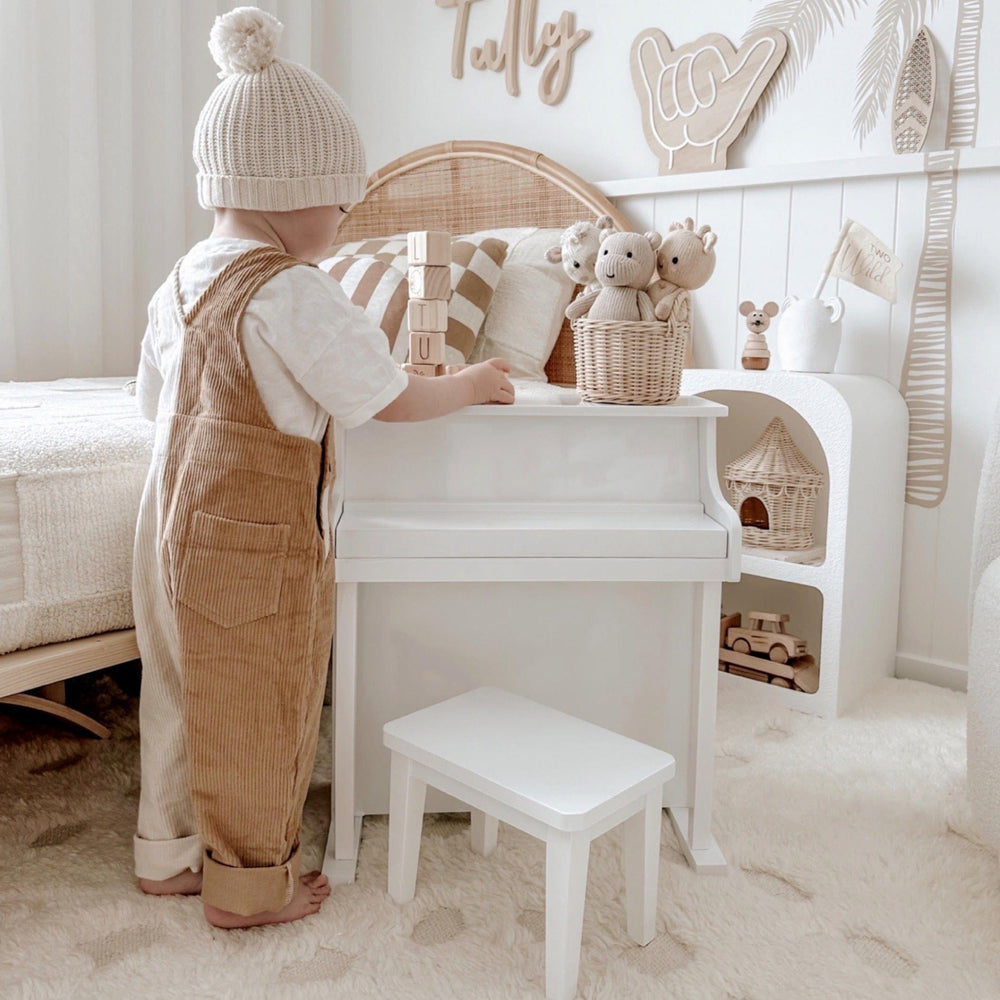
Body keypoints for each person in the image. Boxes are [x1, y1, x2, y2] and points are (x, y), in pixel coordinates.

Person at [131, 6, 514, 929]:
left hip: (165, 523)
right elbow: (386, 397)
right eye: (340, 202)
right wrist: (471, 383)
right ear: (286, 190)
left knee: (178, 695)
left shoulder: (181, 277)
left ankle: (167, 854)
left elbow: (153, 402)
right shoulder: (292, 290)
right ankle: (247, 888)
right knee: (259, 703)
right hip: (250, 544)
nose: (345, 222)